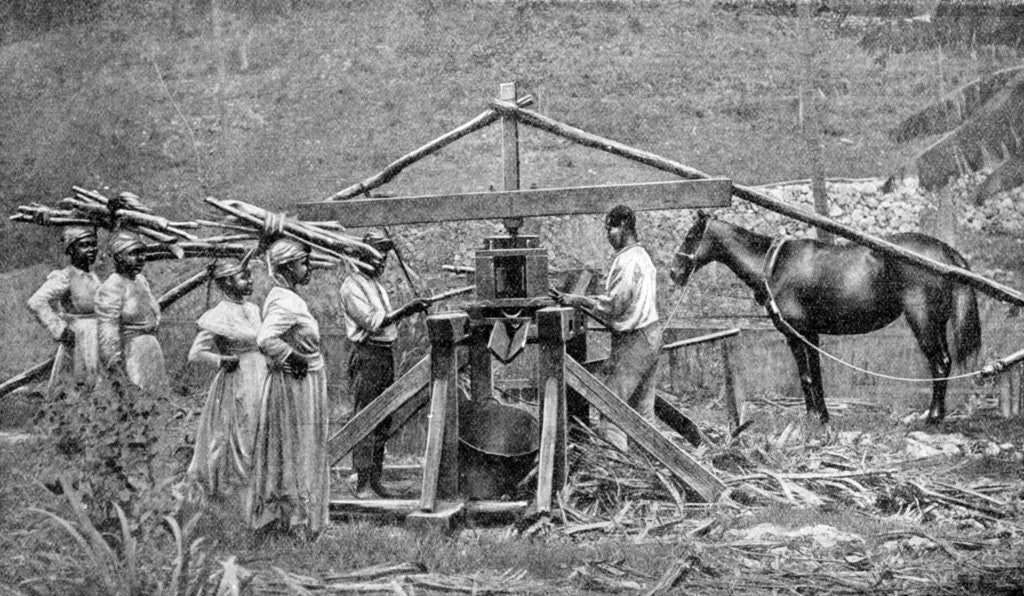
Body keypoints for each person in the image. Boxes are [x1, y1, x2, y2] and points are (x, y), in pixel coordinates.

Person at [550, 205, 662, 451]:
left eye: (610, 229)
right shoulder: (642, 256)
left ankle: (619, 472)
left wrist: (576, 300)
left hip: (635, 341)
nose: (608, 236)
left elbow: (615, 305)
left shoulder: (628, 260)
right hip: (650, 336)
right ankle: (650, 467)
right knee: (642, 411)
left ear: (622, 226)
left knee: (611, 410)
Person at [339, 231, 429, 499]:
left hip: (384, 355)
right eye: (377, 257)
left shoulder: (375, 285)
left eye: (385, 258)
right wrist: (408, 310)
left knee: (383, 418)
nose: (382, 263)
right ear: (362, 257)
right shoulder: (351, 286)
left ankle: (375, 478)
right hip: (367, 356)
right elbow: (373, 322)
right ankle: (362, 481)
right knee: (367, 417)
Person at [248, 238, 329, 540]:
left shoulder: (290, 297)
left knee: (302, 446)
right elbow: (265, 339)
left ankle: (298, 518)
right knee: (297, 447)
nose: (309, 268)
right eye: (304, 263)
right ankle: (292, 519)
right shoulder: (284, 300)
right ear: (286, 267)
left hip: (305, 384)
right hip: (294, 386)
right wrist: (292, 357)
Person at [185, 260, 266, 499]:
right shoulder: (217, 315)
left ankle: (258, 488)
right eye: (244, 277)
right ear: (228, 282)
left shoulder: (253, 309)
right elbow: (195, 354)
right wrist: (221, 360)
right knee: (238, 432)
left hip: (261, 376)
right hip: (237, 380)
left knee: (260, 429)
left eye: (250, 276)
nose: (250, 281)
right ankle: (233, 489)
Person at [27, 226, 103, 395]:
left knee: (102, 384)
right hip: (81, 337)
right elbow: (36, 301)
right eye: (84, 245)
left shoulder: (92, 275)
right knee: (79, 387)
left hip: (98, 334)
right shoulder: (65, 276)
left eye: (93, 245)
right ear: (71, 250)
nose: (91, 250)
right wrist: (60, 329)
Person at [95, 231, 168, 394]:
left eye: (142, 253)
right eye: (134, 253)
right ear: (119, 257)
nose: (141, 258)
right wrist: (118, 372)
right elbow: (108, 335)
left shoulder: (140, 281)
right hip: (131, 357)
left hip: (150, 354)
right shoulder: (112, 287)